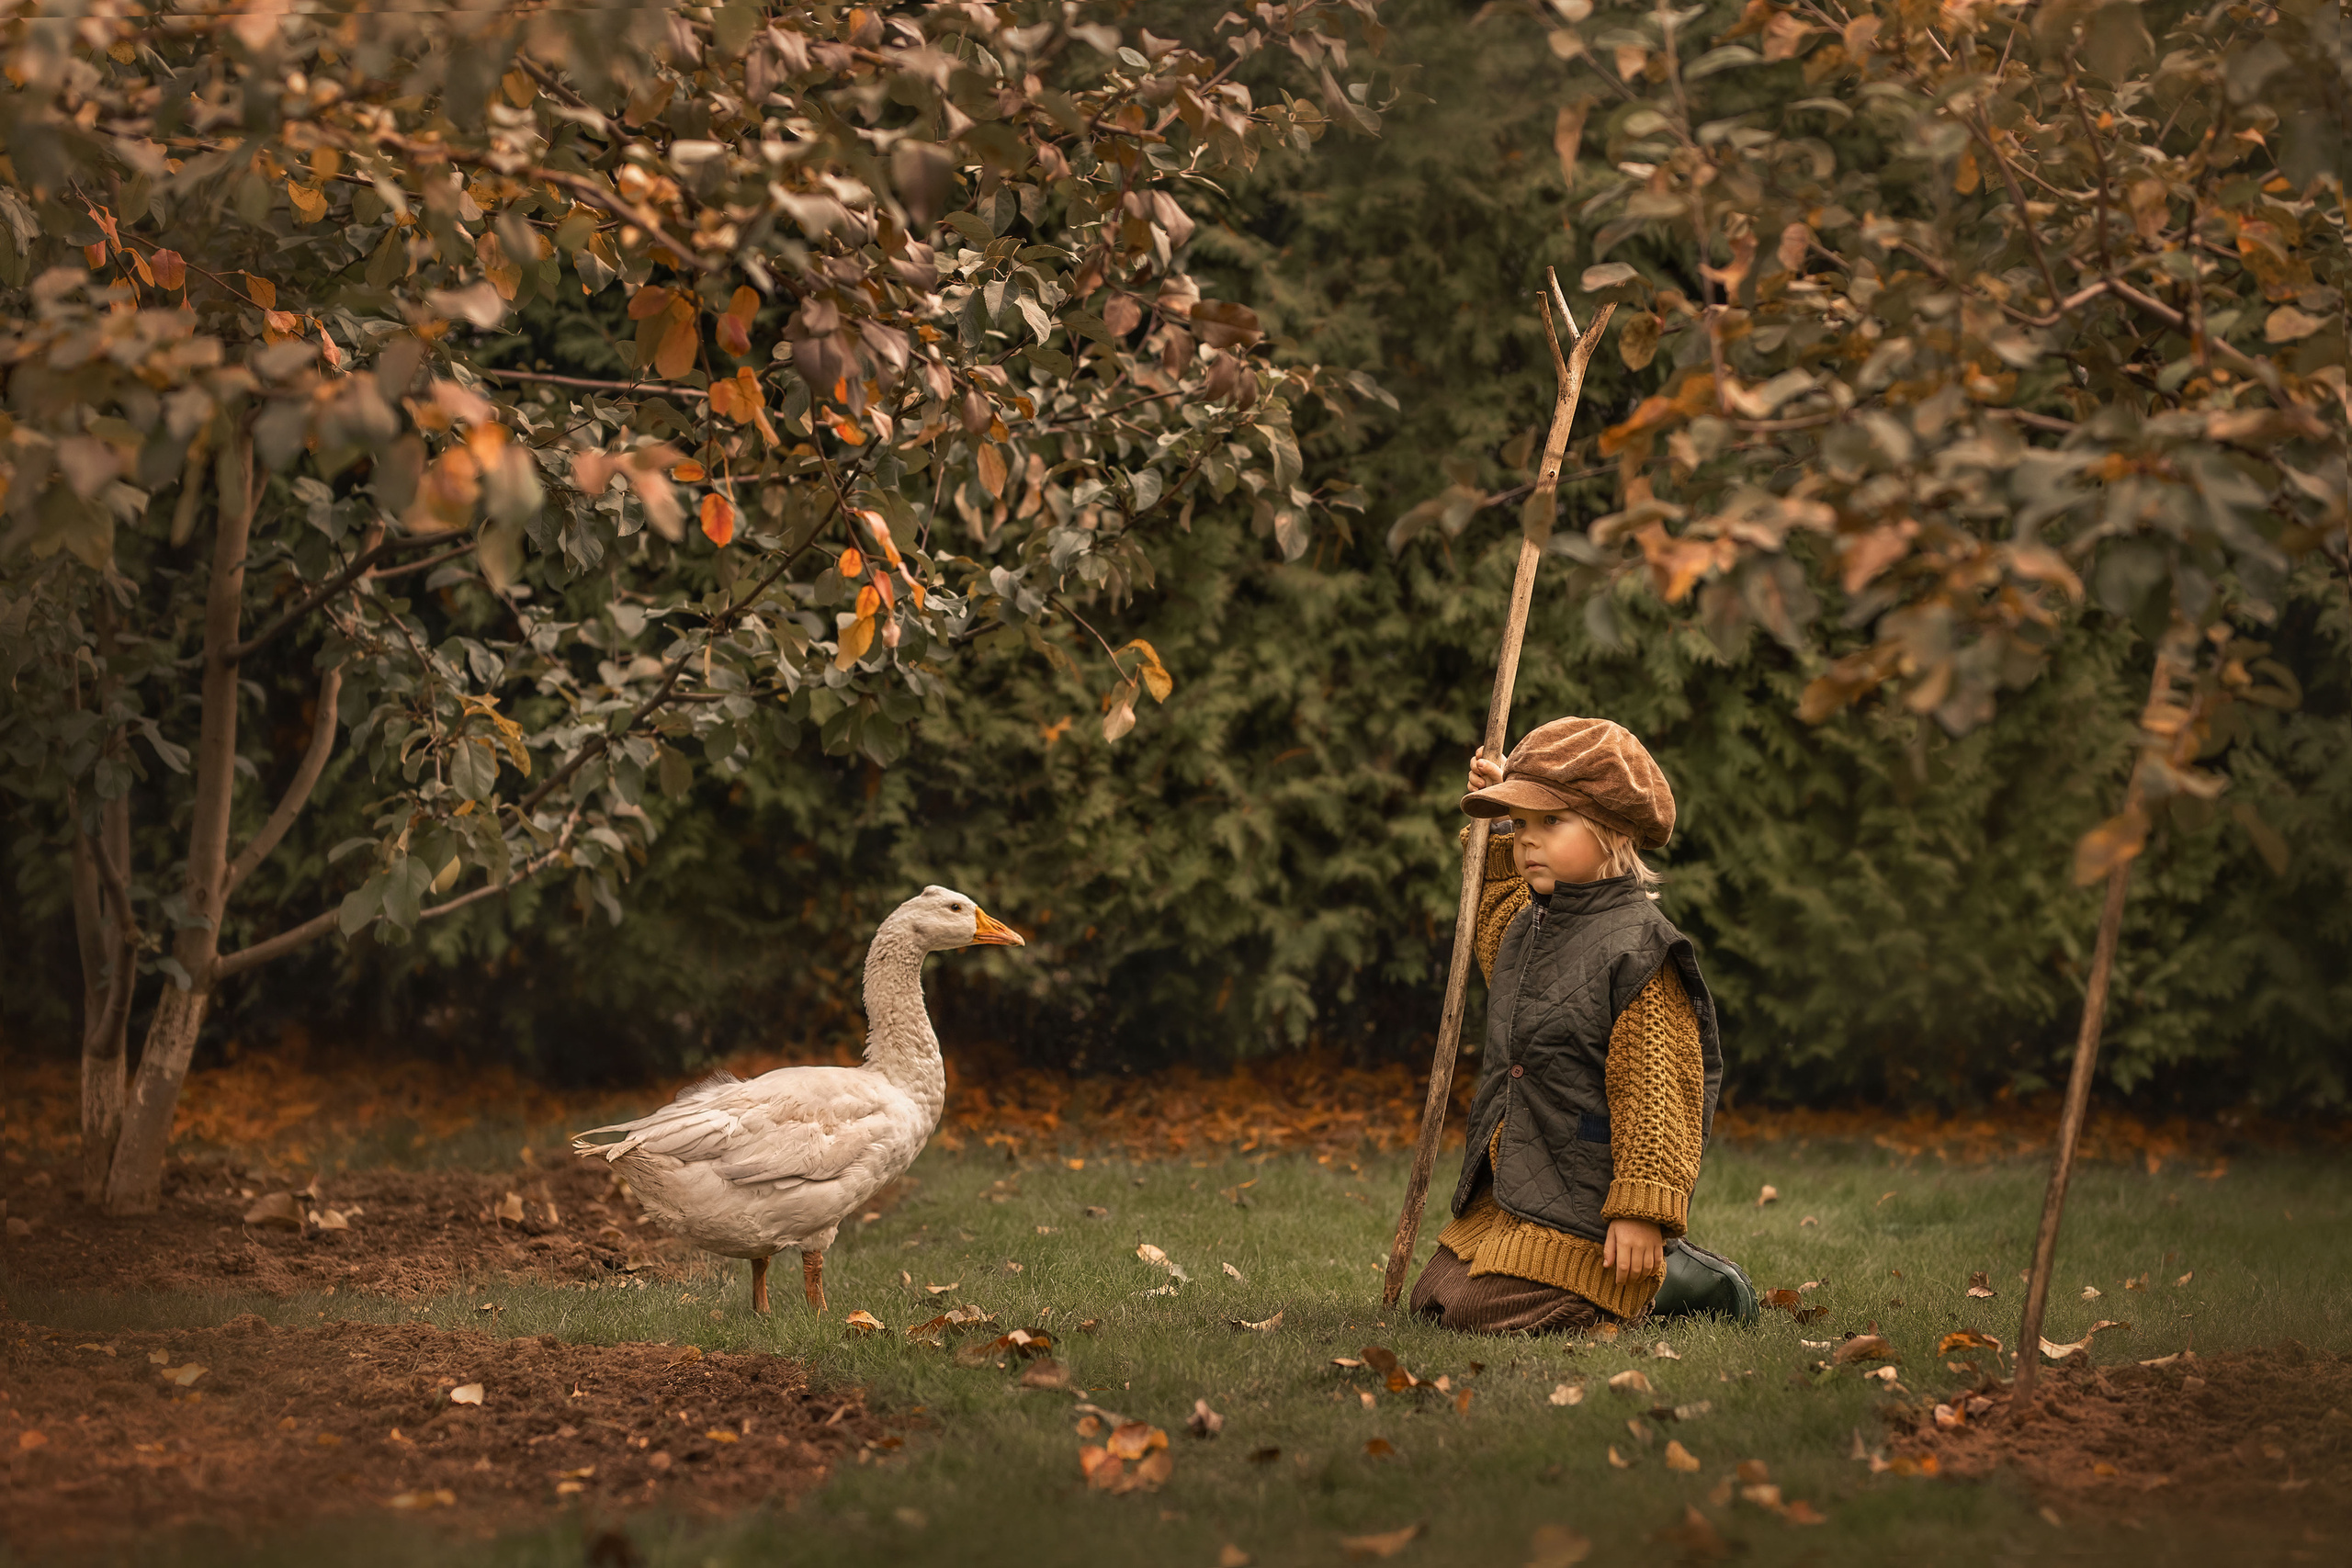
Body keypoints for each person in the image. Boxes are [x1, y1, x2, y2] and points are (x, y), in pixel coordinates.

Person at [1408, 715, 1723, 1335]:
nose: (1529, 841)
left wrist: (1641, 1211)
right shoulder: (1530, 925)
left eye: (1551, 822)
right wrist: (1501, 811)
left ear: (1612, 830)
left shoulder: (1639, 951)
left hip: (1591, 1204)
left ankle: (1673, 1279)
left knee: (1477, 1310)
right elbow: (1496, 904)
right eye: (1523, 826)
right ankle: (1584, 1273)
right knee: (1434, 1297)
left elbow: (1660, 1099)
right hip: (1525, 1187)